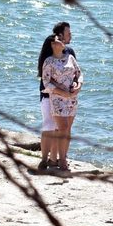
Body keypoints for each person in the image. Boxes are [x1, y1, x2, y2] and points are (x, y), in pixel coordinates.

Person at [36, 21, 82, 171]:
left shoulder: (70, 53)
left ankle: (56, 159)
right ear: (60, 35)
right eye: (68, 33)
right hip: (49, 95)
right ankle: (46, 159)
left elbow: (76, 74)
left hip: (68, 97)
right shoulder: (49, 52)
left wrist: (77, 84)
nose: (71, 35)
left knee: (62, 128)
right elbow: (45, 78)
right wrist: (59, 89)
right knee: (50, 126)